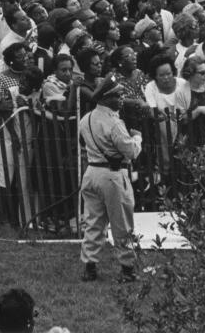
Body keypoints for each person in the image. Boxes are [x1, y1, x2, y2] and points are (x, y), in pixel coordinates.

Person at [79, 74, 142, 282]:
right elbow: (130, 151)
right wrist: (137, 137)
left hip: (92, 173)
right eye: (117, 95)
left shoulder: (85, 119)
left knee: (93, 221)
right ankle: (127, 269)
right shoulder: (114, 123)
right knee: (122, 223)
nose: (121, 98)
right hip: (113, 175)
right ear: (106, 98)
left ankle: (90, 266)